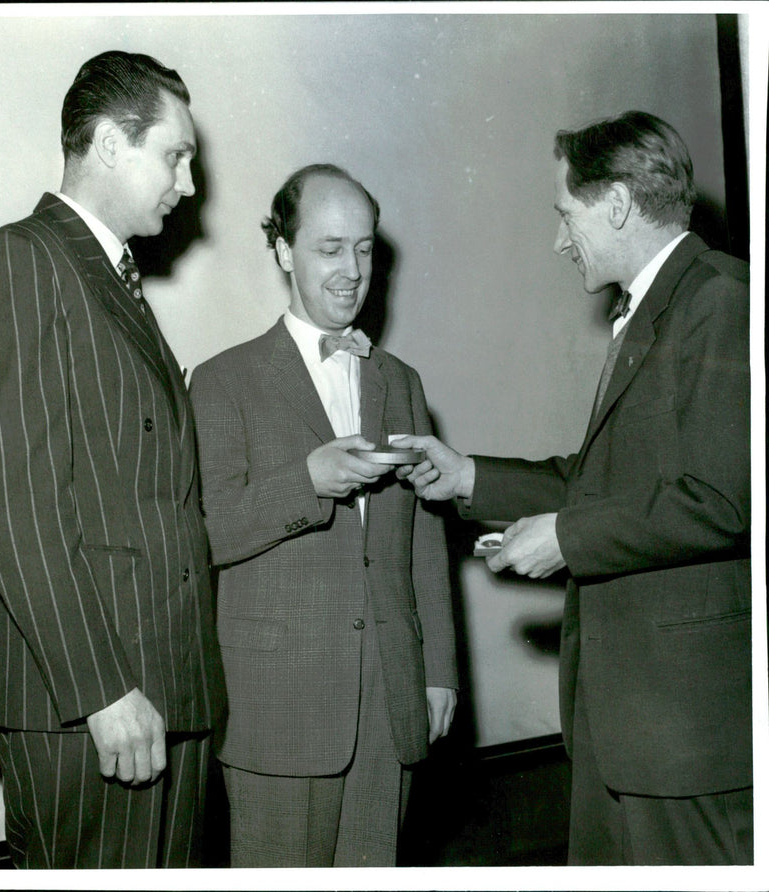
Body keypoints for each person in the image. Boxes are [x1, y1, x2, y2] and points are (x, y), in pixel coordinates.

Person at [396, 111, 751, 865]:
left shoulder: (722, 302)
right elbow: (597, 480)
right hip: (627, 731)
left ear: (617, 204)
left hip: (685, 740)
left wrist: (562, 538)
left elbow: (723, 499)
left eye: (567, 214)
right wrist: (465, 476)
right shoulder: (656, 311)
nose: (561, 240)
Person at [0, 50, 225, 869]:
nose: (189, 184)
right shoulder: (22, 259)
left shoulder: (112, 280)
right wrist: (101, 690)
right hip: (97, 700)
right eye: (176, 154)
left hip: (167, 686)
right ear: (110, 144)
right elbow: (15, 505)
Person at [189, 163, 458, 867]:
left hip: (389, 701)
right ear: (283, 250)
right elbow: (206, 533)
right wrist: (305, 481)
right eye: (329, 247)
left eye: (365, 248)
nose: (352, 270)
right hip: (277, 708)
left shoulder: (401, 382)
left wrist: (438, 673)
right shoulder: (222, 381)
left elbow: (425, 542)